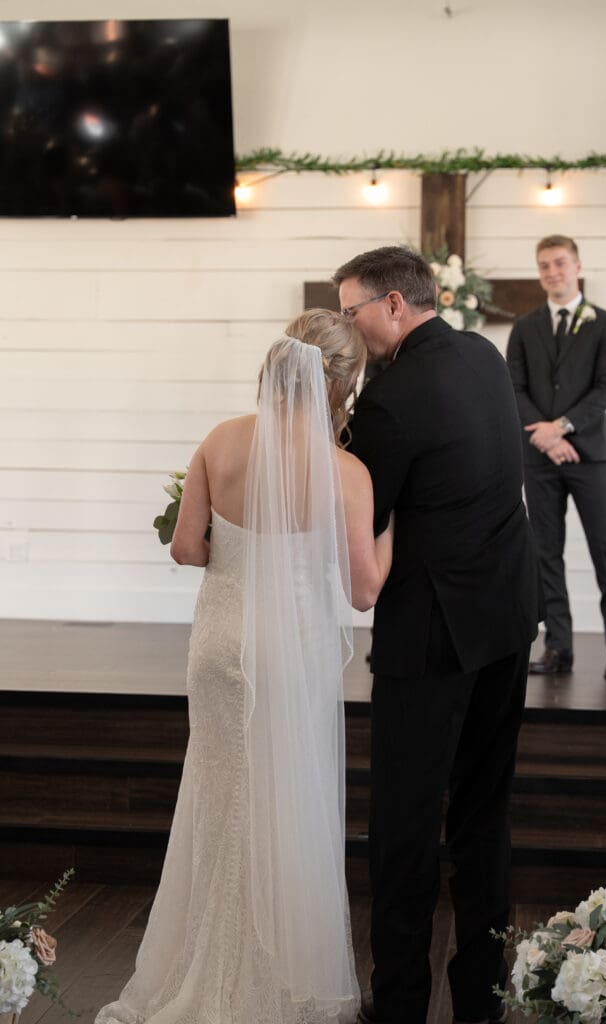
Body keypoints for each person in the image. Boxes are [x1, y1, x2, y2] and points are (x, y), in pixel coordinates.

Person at [95, 309, 394, 1024]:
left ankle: (194, 966)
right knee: (286, 806)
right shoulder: (347, 472)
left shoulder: (222, 440)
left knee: (217, 800)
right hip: (289, 652)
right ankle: (274, 978)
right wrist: (398, 531)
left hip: (219, 645)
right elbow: (363, 591)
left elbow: (186, 550)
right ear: (342, 384)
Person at [332, 246, 542, 1024]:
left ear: (392, 304)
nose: (348, 327)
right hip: (506, 616)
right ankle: (482, 997)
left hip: (430, 635)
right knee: (485, 812)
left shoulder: (389, 400)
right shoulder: (483, 355)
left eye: (351, 310)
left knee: (404, 825)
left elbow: (363, 519)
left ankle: (399, 1004)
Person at [506, 235, 606, 680]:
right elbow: (513, 388)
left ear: (577, 266)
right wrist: (545, 438)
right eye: (544, 265)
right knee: (545, 553)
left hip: (589, 455)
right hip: (539, 458)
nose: (552, 272)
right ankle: (557, 646)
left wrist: (560, 427)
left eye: (559, 263)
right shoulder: (525, 327)